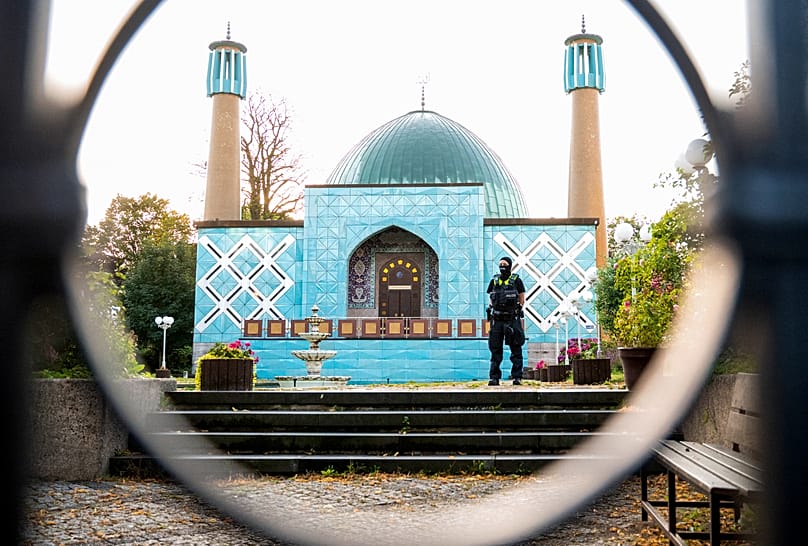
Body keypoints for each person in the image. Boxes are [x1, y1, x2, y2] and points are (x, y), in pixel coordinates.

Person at [486, 256, 526, 386]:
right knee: (495, 349)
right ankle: (494, 377)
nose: (503, 266)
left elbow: (521, 296)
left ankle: (517, 377)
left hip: (511, 319)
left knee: (516, 348)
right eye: (501, 264)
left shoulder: (516, 280)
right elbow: (490, 296)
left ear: (510, 265)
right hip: (497, 320)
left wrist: (519, 307)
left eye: (505, 264)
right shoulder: (494, 280)